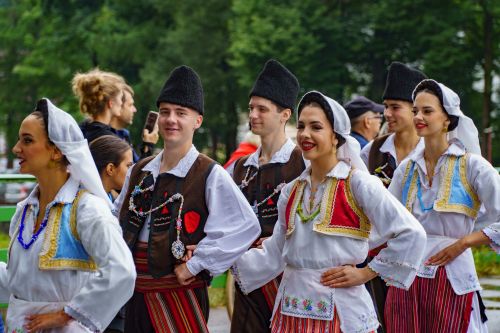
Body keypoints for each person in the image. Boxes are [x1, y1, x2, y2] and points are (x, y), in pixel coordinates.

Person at [232, 91, 426, 333]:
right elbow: (276, 250)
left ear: (336, 137)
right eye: (301, 126)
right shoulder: (292, 191)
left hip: (342, 313)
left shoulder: (358, 184)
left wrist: (366, 273)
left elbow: (411, 232)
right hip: (291, 313)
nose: (305, 134)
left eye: (316, 127)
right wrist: (218, 259)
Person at [113, 65, 261, 333]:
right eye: (166, 112)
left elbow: (245, 226)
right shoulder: (139, 170)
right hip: (134, 295)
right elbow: (114, 220)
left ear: (198, 121)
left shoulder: (209, 173)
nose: (171, 120)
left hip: (179, 296)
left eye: (181, 113)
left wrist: (196, 264)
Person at [0, 98, 136, 332]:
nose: (16, 148)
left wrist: (67, 314)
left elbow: (121, 270)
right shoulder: (25, 211)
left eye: (27, 140)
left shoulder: (88, 209)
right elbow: (19, 281)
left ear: (56, 151)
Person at [386, 79, 500, 333]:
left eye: (427, 111)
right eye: (415, 110)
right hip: (406, 277)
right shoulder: (406, 169)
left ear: (447, 118)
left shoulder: (473, 166)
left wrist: (463, 242)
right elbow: (385, 221)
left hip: (453, 275)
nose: (418, 117)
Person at [229, 59, 306, 333]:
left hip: (288, 280)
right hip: (248, 280)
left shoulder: (302, 163)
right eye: (251, 108)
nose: (254, 115)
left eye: (262, 109)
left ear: (285, 114)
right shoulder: (240, 167)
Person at [361, 62, 426, 186]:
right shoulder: (372, 150)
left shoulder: (431, 151)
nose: (387, 113)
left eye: (395, 107)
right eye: (386, 106)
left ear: (416, 110)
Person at [110, 84, 159, 162]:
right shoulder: (106, 138)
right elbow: (135, 173)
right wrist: (149, 145)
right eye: (130, 105)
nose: (134, 110)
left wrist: (147, 144)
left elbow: (135, 167)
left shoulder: (124, 135)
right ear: (117, 105)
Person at [72, 68, 125, 143]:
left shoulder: (79, 131)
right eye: (120, 98)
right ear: (111, 103)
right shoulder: (110, 141)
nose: (121, 103)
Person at [89, 135, 133, 201]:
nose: (131, 171)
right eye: (128, 166)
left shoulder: (106, 198)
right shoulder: (93, 205)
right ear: (110, 169)